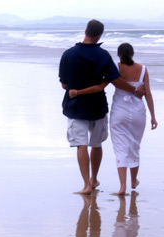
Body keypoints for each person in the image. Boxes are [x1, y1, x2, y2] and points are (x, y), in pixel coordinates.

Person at [59, 20, 145, 195]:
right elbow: (115, 79)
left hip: (75, 106)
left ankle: (86, 185)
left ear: (85, 31)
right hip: (97, 106)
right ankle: (94, 179)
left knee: (80, 144)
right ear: (99, 36)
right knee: (96, 144)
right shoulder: (103, 55)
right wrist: (135, 90)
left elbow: (64, 84)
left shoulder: (68, 55)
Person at [69, 43, 158, 195]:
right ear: (133, 54)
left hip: (119, 112)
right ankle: (134, 180)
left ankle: (122, 187)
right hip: (138, 111)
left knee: (120, 148)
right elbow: (148, 94)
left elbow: (99, 87)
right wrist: (153, 116)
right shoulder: (143, 69)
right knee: (134, 145)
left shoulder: (115, 68)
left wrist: (77, 92)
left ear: (118, 55)